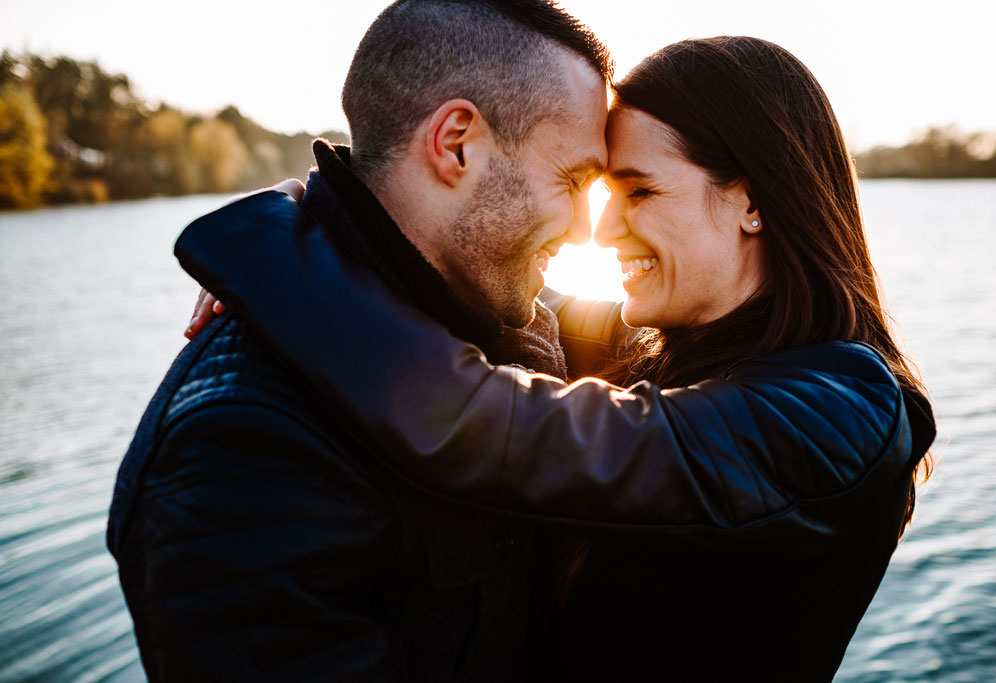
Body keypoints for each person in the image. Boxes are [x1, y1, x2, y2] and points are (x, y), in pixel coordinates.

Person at [181, 36, 936, 680]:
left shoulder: (844, 409)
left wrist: (269, 252)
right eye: (594, 191)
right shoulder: (653, 351)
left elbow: (482, 420)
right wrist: (327, 215)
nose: (601, 233)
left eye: (637, 191)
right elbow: (478, 298)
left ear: (752, 201)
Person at [106, 1, 613, 680]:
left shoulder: (494, 310)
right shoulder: (242, 447)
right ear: (457, 143)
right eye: (574, 180)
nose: (585, 229)